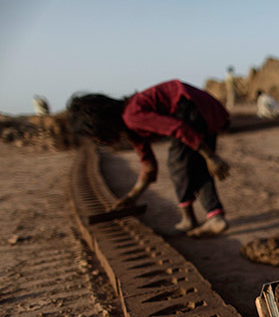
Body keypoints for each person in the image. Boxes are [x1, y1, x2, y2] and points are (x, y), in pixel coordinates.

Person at [66, 79, 231, 237]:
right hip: (201, 107)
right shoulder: (132, 127)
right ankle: (215, 217)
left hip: (191, 106)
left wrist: (211, 157)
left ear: (101, 123)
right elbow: (149, 166)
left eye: (96, 136)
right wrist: (132, 197)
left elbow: (178, 128)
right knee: (198, 166)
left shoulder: (133, 116)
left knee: (178, 165)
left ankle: (188, 220)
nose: (99, 141)